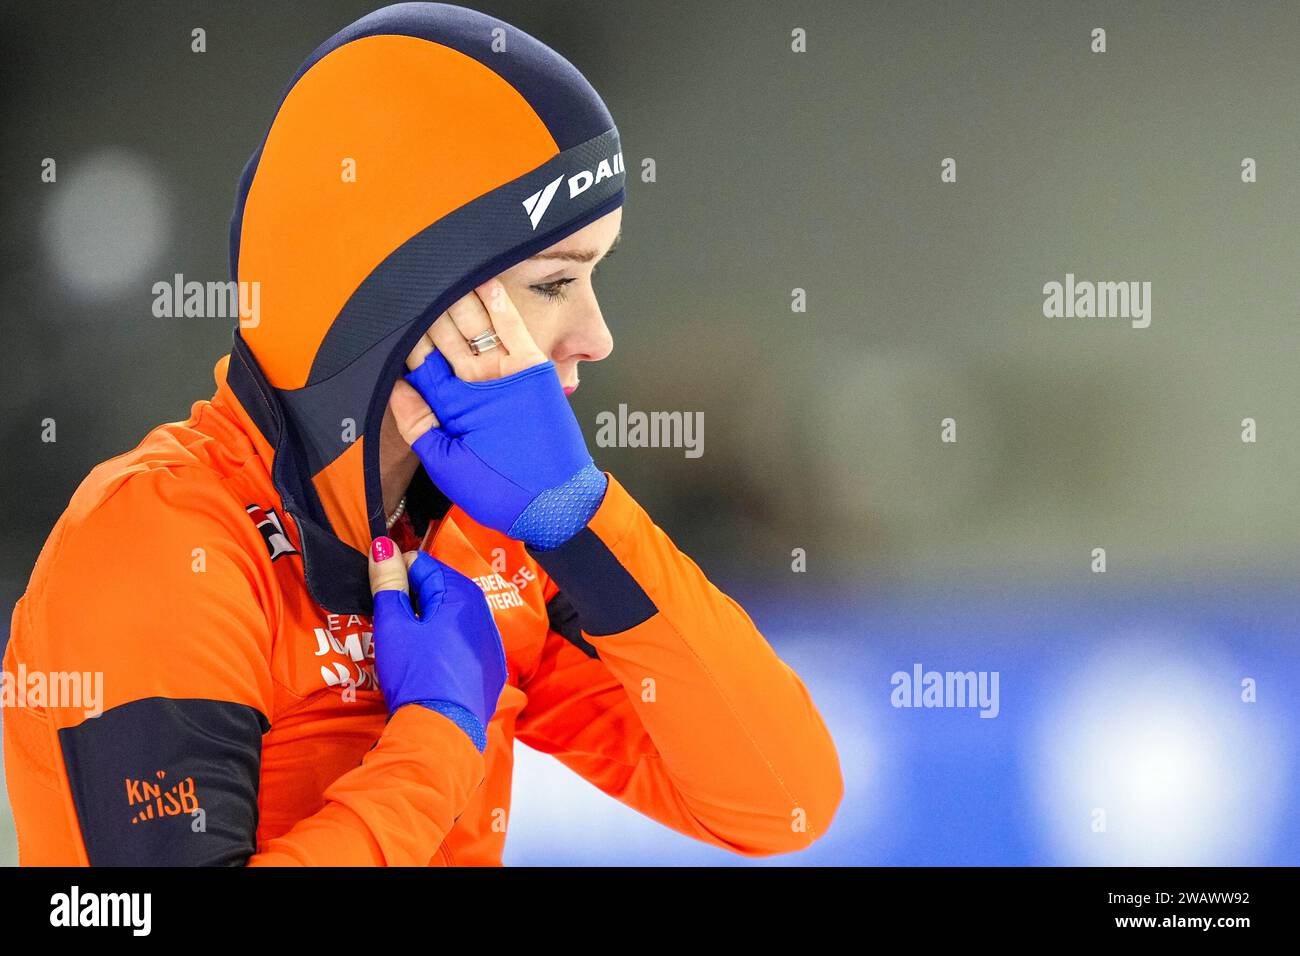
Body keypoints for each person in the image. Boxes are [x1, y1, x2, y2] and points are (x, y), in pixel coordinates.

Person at [2, 2, 842, 865]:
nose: (598, 335)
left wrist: (581, 520)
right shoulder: (161, 543)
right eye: (555, 283)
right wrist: (438, 737)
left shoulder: (485, 538)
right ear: (399, 295)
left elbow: (784, 803)